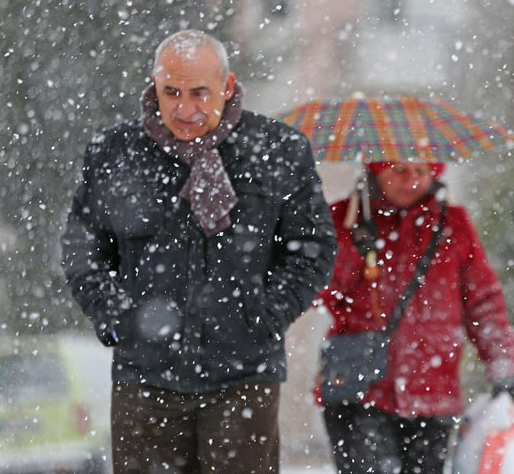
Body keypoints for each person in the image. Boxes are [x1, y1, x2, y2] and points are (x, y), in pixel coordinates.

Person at [61, 29, 337, 473]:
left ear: (227, 88)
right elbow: (83, 251)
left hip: (244, 379)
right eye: (171, 92)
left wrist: (264, 317)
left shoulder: (279, 152)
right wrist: (120, 319)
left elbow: (313, 250)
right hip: (145, 382)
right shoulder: (116, 153)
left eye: (198, 93)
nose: (184, 109)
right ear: (154, 86)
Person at [317, 161, 514, 474]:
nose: (410, 180)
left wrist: (503, 365)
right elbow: (319, 291)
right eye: (398, 170)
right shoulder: (345, 218)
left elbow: (482, 302)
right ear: (377, 170)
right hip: (358, 390)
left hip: (433, 392)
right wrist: (353, 246)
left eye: (420, 171)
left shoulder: (453, 224)